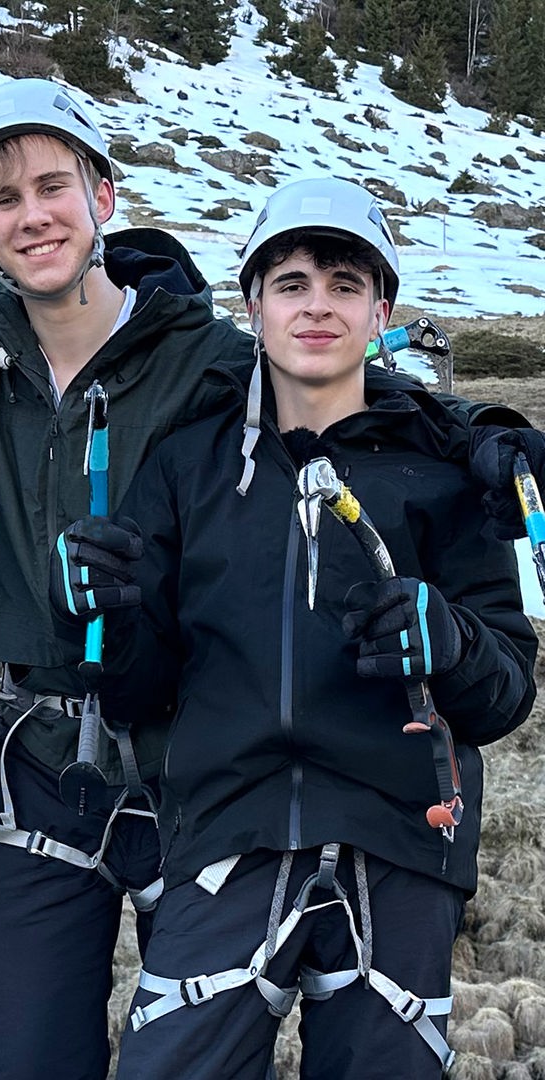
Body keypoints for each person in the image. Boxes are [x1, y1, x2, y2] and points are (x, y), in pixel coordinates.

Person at [0, 79, 532, 1079]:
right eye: (3, 199)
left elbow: (326, 367)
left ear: (104, 195)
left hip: (196, 768)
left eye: (55, 185)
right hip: (42, 759)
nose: (33, 215)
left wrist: (474, 430)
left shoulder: (207, 356)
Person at [53, 176, 537, 1079]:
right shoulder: (188, 467)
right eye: (292, 283)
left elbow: (508, 686)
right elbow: (136, 688)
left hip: (402, 846)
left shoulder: (444, 472)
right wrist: (92, 609)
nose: (318, 305)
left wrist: (452, 640)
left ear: (380, 307)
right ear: (253, 306)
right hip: (223, 837)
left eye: (344, 284)